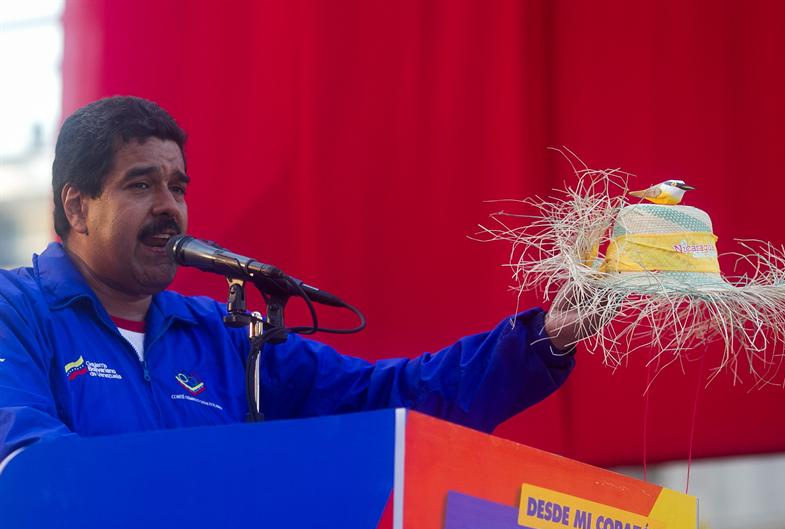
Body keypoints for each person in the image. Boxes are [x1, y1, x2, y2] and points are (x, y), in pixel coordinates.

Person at [0, 96, 585, 463]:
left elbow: (390, 400)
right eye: (140, 185)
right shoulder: (16, 311)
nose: (169, 207)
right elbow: (29, 456)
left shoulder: (228, 337)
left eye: (178, 188)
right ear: (76, 208)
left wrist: (542, 341)